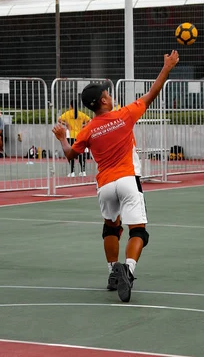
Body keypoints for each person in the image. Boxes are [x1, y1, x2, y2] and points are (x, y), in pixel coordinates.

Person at [52, 50, 179, 303]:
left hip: (105, 185)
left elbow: (70, 154)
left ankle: (113, 272)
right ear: (103, 101)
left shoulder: (88, 129)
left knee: (111, 227)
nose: (110, 95)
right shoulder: (124, 115)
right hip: (128, 179)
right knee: (139, 232)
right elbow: (152, 93)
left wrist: (62, 138)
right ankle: (128, 271)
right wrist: (167, 68)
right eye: (107, 94)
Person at [58, 99, 90, 177]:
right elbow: (89, 120)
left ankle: (72, 172)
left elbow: (59, 120)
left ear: (71, 105)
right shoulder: (81, 114)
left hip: (71, 136)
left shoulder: (68, 114)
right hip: (79, 136)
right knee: (81, 154)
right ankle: (83, 171)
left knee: (71, 154)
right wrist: (84, 126)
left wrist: (66, 124)